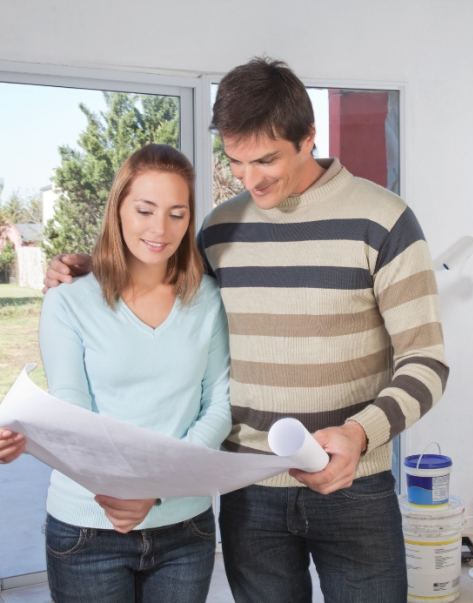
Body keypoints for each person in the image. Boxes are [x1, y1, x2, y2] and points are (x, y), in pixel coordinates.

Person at [41, 58, 449, 603]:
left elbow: (427, 361)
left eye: (266, 160)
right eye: (235, 162)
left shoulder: (386, 220)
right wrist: (90, 270)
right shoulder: (219, 227)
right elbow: (165, 282)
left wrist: (360, 434)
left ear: (309, 138)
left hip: (354, 484)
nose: (250, 179)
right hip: (248, 491)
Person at [0, 144, 231, 602]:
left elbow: (219, 403)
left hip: (187, 527)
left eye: (176, 213)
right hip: (88, 530)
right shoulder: (68, 301)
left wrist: (156, 488)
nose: (159, 229)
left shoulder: (208, 297)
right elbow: (73, 409)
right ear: (118, 209)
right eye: (145, 210)